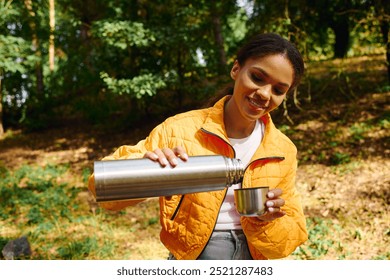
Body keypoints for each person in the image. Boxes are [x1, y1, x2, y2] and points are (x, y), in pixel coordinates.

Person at [88, 33, 308, 260]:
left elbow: (294, 234)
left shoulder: (283, 149)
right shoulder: (180, 130)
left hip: (256, 256)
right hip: (195, 256)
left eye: (278, 90)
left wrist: (267, 222)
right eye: (257, 77)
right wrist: (148, 168)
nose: (264, 94)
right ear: (236, 69)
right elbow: (102, 189)